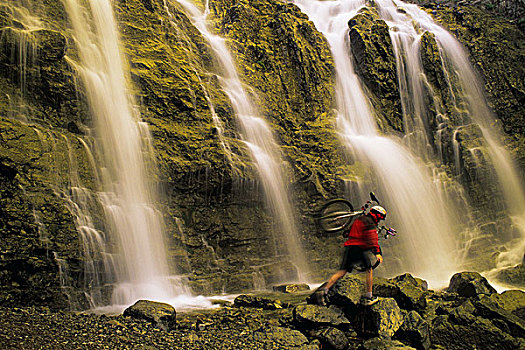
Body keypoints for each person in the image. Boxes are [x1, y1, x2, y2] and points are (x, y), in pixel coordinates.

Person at [321, 205, 387, 306]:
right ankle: (369, 296)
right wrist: (377, 253)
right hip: (359, 248)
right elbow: (372, 239)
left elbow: (349, 231)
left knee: (342, 271)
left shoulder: (360, 219)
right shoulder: (370, 222)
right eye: (380, 217)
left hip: (349, 248)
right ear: (378, 215)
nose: (380, 220)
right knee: (369, 269)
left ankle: (324, 290)